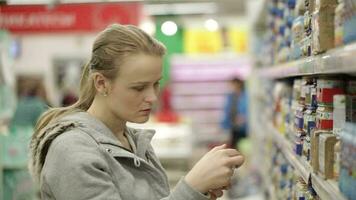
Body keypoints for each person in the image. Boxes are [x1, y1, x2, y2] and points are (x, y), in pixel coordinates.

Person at [28, 24, 244, 200]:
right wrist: (191, 186)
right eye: (139, 88)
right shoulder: (71, 152)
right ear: (101, 83)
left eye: (156, 84)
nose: (153, 97)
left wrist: (200, 192)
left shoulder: (132, 140)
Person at [221, 78, 248, 149]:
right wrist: (224, 125)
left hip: (244, 127)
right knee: (234, 145)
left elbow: (249, 111)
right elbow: (227, 111)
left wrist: (244, 118)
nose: (231, 86)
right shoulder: (230, 96)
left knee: (243, 145)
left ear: (239, 84)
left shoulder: (246, 96)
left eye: (233, 84)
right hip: (233, 126)